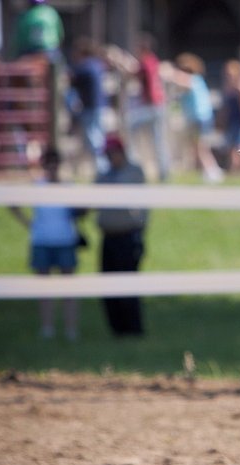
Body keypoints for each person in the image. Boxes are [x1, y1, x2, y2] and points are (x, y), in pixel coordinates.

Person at [10, 148, 82, 341]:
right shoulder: (37, 186)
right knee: (44, 290)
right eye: (48, 162)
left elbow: (81, 210)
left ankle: (71, 329)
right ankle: (47, 328)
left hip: (65, 241)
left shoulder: (68, 187)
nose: (52, 167)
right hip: (42, 241)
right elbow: (13, 204)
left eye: (54, 162)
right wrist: (29, 224)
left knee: (69, 289)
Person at [96, 135, 147, 337]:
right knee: (108, 285)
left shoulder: (133, 172)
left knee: (129, 286)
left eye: (111, 154)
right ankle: (116, 329)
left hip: (127, 236)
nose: (109, 158)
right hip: (108, 236)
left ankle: (133, 329)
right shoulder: (105, 174)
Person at [106, 34, 171, 182]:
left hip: (151, 106)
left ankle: (132, 163)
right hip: (158, 106)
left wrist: (119, 61)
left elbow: (132, 73)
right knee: (158, 141)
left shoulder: (146, 62)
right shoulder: (153, 61)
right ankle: (163, 172)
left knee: (129, 126)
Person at [170, 52, 224, 182]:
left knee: (201, 147)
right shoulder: (197, 80)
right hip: (199, 118)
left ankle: (213, 172)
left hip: (199, 118)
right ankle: (208, 171)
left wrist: (170, 72)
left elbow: (181, 80)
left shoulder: (192, 79)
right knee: (198, 147)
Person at [70, 37, 109, 175]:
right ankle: (101, 168)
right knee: (97, 138)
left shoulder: (85, 66)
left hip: (90, 107)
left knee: (93, 140)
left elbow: (71, 81)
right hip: (99, 106)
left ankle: (102, 169)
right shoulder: (97, 65)